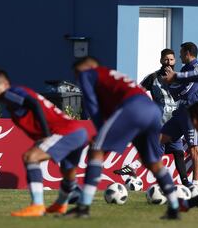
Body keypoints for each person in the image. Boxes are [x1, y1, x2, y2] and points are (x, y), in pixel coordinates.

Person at [66, 56, 179, 219]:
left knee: (96, 151)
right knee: (153, 161)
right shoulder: (110, 76)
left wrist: (100, 134)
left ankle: (83, 207)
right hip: (152, 110)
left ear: (88, 66)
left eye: (77, 72)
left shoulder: (88, 74)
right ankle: (175, 208)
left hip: (132, 108)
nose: (77, 77)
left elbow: (91, 105)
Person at [0, 68, 89, 217]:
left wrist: (45, 135)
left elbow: (34, 104)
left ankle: (37, 206)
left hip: (65, 132)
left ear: (5, 84)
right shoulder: (16, 95)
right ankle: (62, 204)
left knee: (30, 157)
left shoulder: (10, 93)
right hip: (79, 132)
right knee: (67, 170)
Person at [114, 49, 192, 187]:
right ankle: (184, 184)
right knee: (164, 152)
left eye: (172, 59)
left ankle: (186, 184)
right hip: (159, 122)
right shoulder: (153, 77)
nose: (169, 62)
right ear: (161, 60)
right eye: (166, 59)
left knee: (178, 152)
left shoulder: (180, 77)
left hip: (175, 122)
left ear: (175, 61)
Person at [160, 42, 198, 186]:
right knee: (159, 139)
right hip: (180, 113)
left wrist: (171, 85)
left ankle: (195, 184)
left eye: (180, 53)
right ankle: (137, 170)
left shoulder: (197, 69)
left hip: (193, 115)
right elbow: (176, 88)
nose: (179, 56)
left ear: (187, 53)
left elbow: (187, 91)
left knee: (194, 149)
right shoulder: (185, 68)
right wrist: (171, 84)